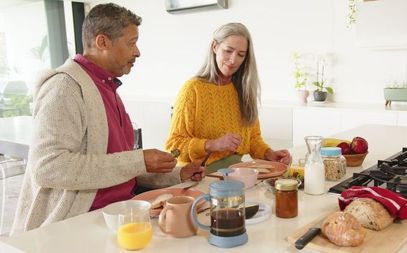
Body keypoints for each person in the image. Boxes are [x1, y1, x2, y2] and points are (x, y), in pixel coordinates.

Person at [11, 3, 204, 234]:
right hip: (77, 226)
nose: (137, 52)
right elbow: (48, 167)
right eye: (131, 43)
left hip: (120, 216)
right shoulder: (64, 87)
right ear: (102, 42)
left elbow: (114, 166)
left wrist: (175, 175)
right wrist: (138, 160)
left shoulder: (106, 86)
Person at [165, 23, 291, 172]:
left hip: (236, 174)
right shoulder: (192, 89)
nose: (233, 60)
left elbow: (252, 139)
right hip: (199, 176)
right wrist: (212, 144)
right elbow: (173, 147)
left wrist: (270, 154)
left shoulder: (243, 90)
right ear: (214, 47)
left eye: (240, 55)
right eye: (228, 51)